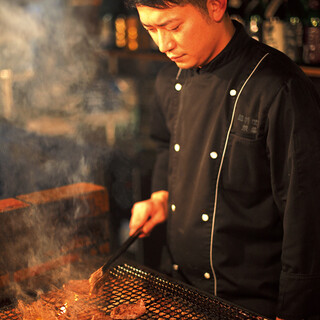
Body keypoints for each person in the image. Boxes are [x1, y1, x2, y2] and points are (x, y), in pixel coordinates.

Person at [125, 0, 320, 319]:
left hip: (251, 305)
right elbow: (165, 145)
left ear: (215, 6)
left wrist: (295, 310)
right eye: (151, 29)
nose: (163, 45)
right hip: (179, 292)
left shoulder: (280, 88)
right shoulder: (168, 79)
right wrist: (161, 196)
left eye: (173, 27)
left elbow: (307, 218)